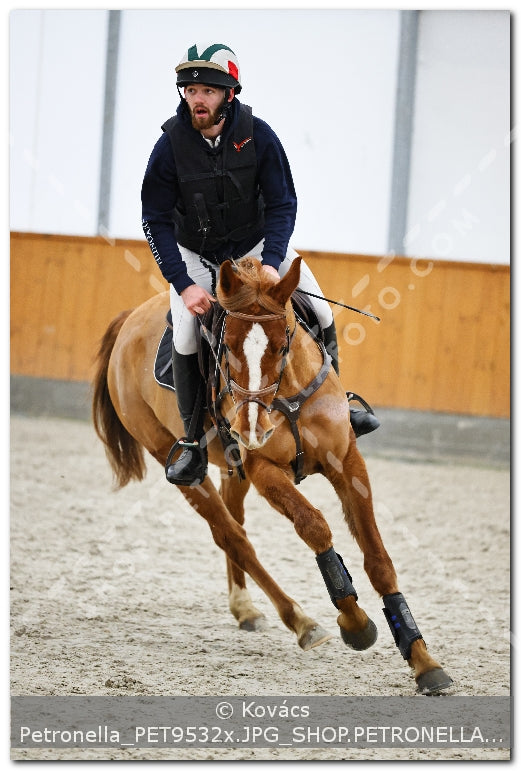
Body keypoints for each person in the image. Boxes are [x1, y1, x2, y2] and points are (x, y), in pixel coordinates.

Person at [141, 41, 379, 486]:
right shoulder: (169, 146)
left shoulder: (260, 135)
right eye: (190, 89)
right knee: (189, 333)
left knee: (322, 310)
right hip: (197, 255)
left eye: (207, 90)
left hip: (257, 247)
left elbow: (283, 202)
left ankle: (338, 408)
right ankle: (193, 442)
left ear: (228, 94)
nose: (197, 98)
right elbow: (153, 219)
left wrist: (271, 262)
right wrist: (183, 283)